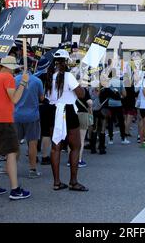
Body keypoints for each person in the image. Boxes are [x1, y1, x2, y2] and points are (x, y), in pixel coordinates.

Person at [0, 56, 31, 200]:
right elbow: (15, 99)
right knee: (11, 153)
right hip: (4, 120)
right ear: (9, 67)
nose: (14, 71)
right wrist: (23, 83)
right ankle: (15, 189)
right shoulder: (7, 77)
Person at [45, 50, 88, 191]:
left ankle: (56, 182)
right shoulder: (68, 76)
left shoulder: (48, 75)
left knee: (55, 147)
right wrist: (80, 84)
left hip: (52, 111)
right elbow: (81, 94)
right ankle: (73, 181)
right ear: (66, 61)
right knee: (75, 146)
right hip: (67, 111)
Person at [14, 68, 44, 178]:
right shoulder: (37, 81)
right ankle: (32, 169)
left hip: (16, 115)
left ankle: (12, 168)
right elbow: (42, 98)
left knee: (15, 144)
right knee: (32, 143)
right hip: (32, 116)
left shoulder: (14, 80)